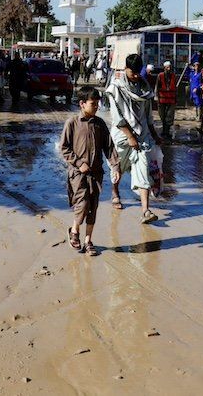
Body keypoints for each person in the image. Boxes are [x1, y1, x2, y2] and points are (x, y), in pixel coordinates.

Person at [59, 86, 116, 255]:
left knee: (93, 207)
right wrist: (78, 163)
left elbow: (109, 147)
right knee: (82, 203)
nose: (97, 106)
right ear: (82, 104)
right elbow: (64, 148)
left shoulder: (99, 124)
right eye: (93, 103)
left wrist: (115, 165)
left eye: (98, 103)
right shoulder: (72, 123)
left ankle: (88, 241)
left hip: (96, 173)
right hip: (78, 173)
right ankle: (75, 231)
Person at [105, 53, 162, 223]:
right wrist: (130, 136)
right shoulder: (116, 88)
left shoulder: (144, 88)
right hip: (122, 135)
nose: (136, 76)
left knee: (142, 169)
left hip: (142, 135)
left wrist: (155, 135)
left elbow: (148, 115)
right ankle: (115, 192)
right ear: (125, 69)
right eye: (133, 73)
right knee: (118, 167)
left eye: (138, 72)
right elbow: (117, 117)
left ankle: (145, 210)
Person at [156, 61, 180, 141]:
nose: (169, 68)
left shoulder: (174, 76)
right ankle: (164, 130)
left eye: (170, 67)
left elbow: (176, 89)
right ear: (165, 68)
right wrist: (156, 97)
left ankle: (166, 132)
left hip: (171, 99)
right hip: (162, 99)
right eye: (168, 67)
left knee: (169, 117)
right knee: (162, 116)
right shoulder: (160, 76)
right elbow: (157, 87)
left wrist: (176, 98)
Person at [188, 59, 203, 135]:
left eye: (198, 66)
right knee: (195, 104)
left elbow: (202, 83)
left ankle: (199, 117)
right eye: (195, 66)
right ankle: (197, 116)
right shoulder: (192, 74)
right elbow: (188, 77)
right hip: (192, 91)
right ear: (194, 67)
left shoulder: (200, 74)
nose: (197, 67)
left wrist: (198, 88)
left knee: (199, 104)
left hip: (198, 91)